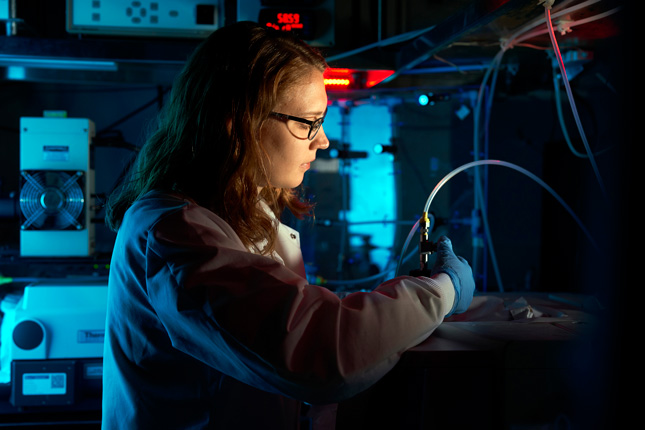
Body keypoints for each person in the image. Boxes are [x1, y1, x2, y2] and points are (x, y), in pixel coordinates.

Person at [101, 21, 475, 429]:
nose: (323, 140)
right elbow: (323, 353)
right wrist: (442, 290)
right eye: (307, 122)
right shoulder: (175, 233)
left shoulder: (233, 214)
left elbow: (286, 323)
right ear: (237, 121)